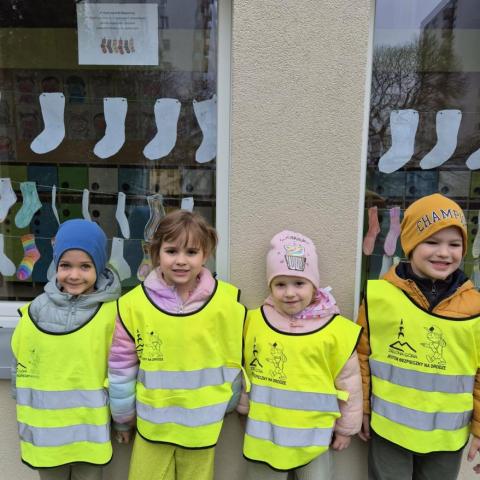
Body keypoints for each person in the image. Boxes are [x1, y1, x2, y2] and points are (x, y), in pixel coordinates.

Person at [108, 210, 245, 480]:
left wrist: (233, 401)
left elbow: (236, 357)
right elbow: (121, 366)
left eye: (191, 252)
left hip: (202, 426)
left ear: (205, 255)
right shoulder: (133, 305)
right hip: (152, 425)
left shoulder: (227, 302)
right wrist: (122, 418)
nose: (181, 260)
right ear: (156, 253)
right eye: (171, 251)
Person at [357, 193, 480, 479]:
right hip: (389, 430)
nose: (444, 253)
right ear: (410, 244)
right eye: (432, 242)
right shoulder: (379, 297)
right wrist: (360, 408)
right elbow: (361, 357)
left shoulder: (475, 307)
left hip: (446, 438)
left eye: (454, 244)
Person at [238, 230, 363, 479]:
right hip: (266, 435)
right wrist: (243, 404)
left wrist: (345, 429)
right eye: (280, 284)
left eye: (299, 283)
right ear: (270, 286)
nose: (289, 293)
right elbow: (247, 366)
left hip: (315, 436)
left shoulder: (336, 330)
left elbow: (350, 382)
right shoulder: (255, 322)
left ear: (314, 285)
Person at [11, 219, 121, 480]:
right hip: (45, 432)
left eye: (85, 266)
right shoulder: (37, 309)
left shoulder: (112, 313)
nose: (74, 275)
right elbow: (21, 358)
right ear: (56, 265)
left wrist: (122, 419)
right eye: (65, 265)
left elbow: (122, 368)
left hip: (89, 431)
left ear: (99, 266)